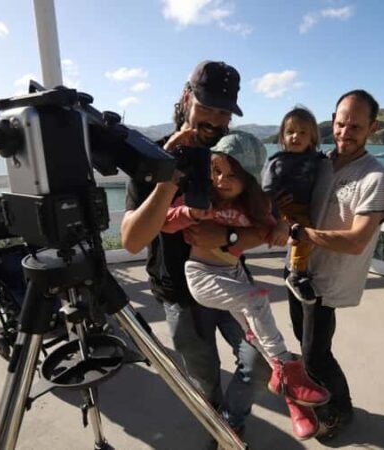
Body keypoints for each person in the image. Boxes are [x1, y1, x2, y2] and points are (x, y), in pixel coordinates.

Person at [121, 61, 271, 443]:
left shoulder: (232, 155)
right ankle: (217, 432)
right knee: (205, 379)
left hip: (231, 280)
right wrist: (168, 177)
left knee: (260, 364)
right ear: (187, 98)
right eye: (208, 106)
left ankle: (228, 423)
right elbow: (132, 240)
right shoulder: (154, 156)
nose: (216, 119)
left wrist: (229, 238)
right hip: (180, 296)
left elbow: (261, 226)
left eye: (225, 111)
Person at [160, 136, 330, 440]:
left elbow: (271, 229)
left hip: (233, 272)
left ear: (249, 177)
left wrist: (281, 227)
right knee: (256, 300)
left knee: (257, 336)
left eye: (232, 174)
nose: (222, 180)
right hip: (200, 275)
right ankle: (286, 376)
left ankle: (294, 400)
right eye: (217, 171)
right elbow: (165, 222)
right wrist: (188, 213)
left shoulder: (251, 206)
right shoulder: (201, 198)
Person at [287, 90, 384, 440]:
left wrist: (302, 233)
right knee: (305, 347)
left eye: (355, 126)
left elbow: (357, 240)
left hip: (328, 282)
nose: (345, 132)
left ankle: (341, 410)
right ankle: (320, 396)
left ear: (372, 128)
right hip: (296, 272)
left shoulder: (376, 177)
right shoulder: (317, 163)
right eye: (340, 123)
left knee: (317, 355)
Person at [262, 106, 324, 303]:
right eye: (290, 132)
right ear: (282, 137)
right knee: (302, 234)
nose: (295, 136)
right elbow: (267, 189)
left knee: (307, 235)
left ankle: (299, 269)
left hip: (304, 208)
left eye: (302, 132)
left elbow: (324, 160)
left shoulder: (315, 159)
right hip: (285, 210)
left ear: (312, 138)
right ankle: (297, 274)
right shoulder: (278, 162)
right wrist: (277, 215)